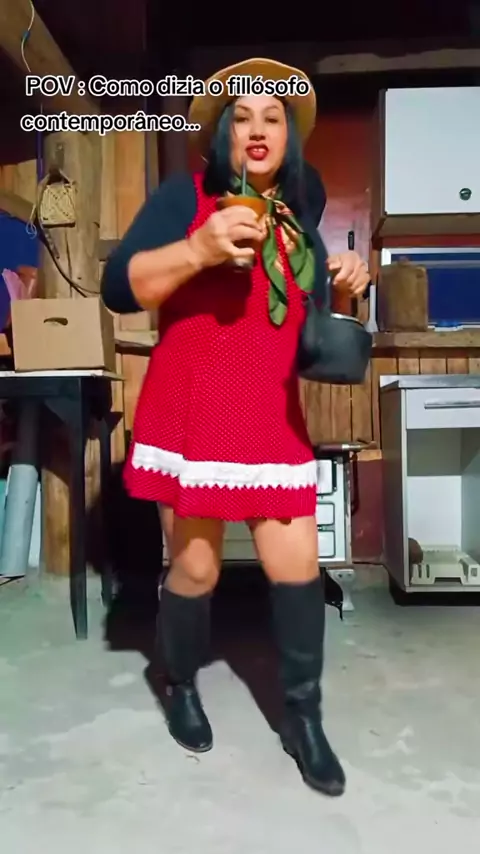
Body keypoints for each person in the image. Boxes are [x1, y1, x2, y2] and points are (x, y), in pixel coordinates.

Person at [101, 57, 370, 797]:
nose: (257, 129)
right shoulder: (183, 197)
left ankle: (304, 718)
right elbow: (120, 287)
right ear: (222, 133)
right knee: (197, 569)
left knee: (299, 569)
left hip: (269, 415)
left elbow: (311, 333)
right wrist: (199, 247)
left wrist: (344, 287)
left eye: (272, 117)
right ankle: (179, 682)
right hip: (191, 411)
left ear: (289, 135)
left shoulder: (299, 215)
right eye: (242, 116)